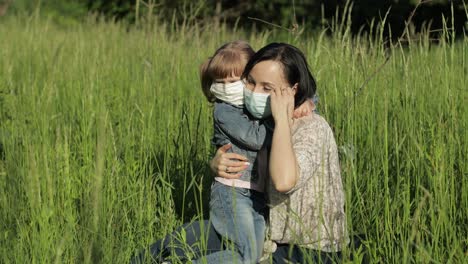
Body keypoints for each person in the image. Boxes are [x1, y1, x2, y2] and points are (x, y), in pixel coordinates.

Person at [212, 43, 349, 263]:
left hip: (308, 250)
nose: (255, 92)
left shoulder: (312, 127)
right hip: (266, 233)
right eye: (250, 82)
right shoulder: (255, 118)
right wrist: (216, 162)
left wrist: (283, 118)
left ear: (292, 91)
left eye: (267, 88)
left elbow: (284, 182)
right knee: (195, 236)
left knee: (241, 257)